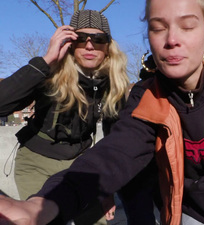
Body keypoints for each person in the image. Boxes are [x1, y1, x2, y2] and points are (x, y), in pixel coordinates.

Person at [0, 0, 204, 224]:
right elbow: (117, 152)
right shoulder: (146, 94)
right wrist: (44, 205)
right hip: (193, 211)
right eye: (158, 28)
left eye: (187, 26)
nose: (172, 39)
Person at [0, 10, 130, 225]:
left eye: (98, 40)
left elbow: (114, 138)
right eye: (80, 39)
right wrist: (45, 61)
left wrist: (107, 187)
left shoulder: (113, 83)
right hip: (36, 161)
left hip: (81, 163)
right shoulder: (51, 73)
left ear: (108, 47)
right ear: (69, 43)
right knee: (43, 219)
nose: (89, 46)